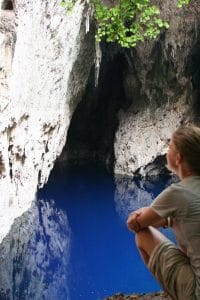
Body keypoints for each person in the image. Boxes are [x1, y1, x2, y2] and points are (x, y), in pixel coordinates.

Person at [127, 126, 200, 300]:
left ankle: (174, 295)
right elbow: (183, 217)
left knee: (142, 235)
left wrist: (137, 216)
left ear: (178, 158)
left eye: (169, 148)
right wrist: (167, 219)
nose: (166, 152)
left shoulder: (177, 193)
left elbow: (138, 224)